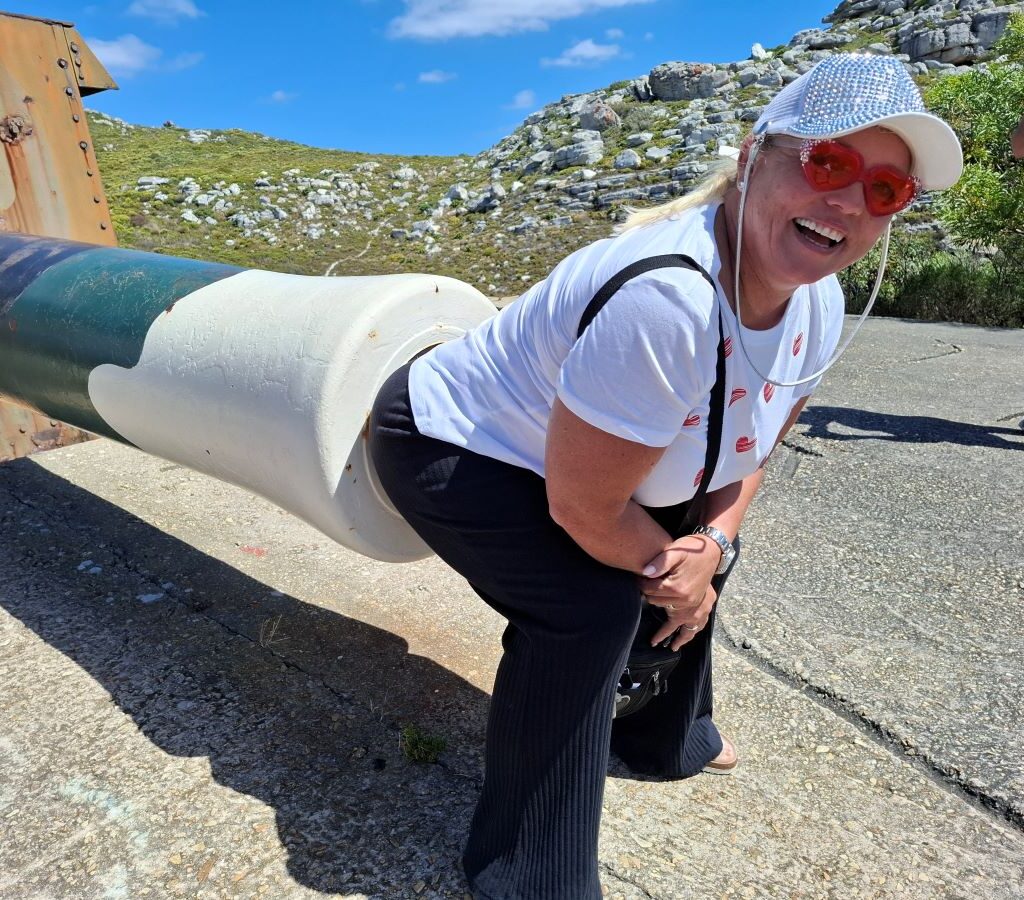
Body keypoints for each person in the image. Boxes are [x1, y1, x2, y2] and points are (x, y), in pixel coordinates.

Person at [369, 54, 963, 900]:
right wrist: (676, 578)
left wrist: (712, 546)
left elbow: (753, 450)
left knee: (691, 549)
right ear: (757, 154)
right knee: (588, 606)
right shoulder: (668, 298)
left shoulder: (820, 299)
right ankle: (527, 872)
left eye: (884, 190)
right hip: (455, 443)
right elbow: (583, 508)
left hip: (584, 460)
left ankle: (661, 737)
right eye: (829, 162)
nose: (847, 202)